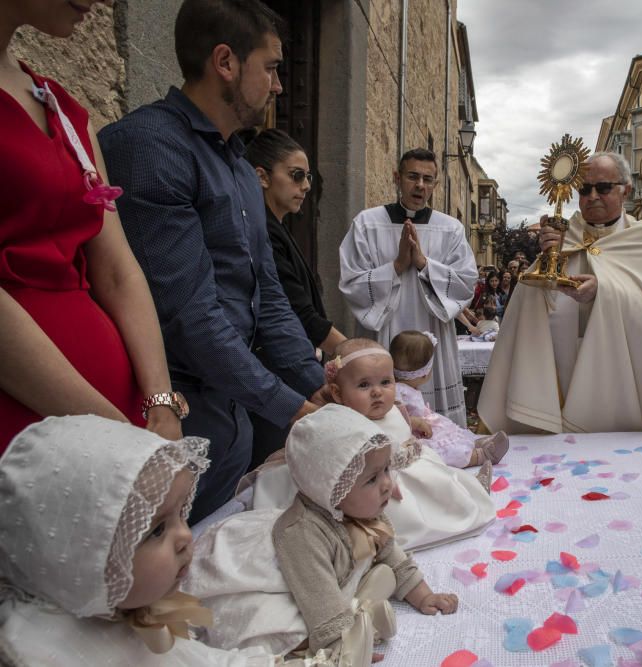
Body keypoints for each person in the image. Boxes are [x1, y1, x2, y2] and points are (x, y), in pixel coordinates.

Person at [98, 0, 326, 523]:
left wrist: (316, 382)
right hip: (174, 413)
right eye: (270, 68)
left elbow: (266, 293)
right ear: (225, 62)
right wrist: (291, 407)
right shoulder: (150, 146)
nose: (278, 87)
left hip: (230, 415)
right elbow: (190, 316)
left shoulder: (242, 170)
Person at [0, 0, 181, 449]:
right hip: (29, 419)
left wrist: (159, 400)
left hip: (116, 420)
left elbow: (117, 267)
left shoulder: (59, 105)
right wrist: (114, 432)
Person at [0, 415, 306, 665]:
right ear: (82, 556)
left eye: (181, 512)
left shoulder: (121, 603)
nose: (187, 535)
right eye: (157, 530)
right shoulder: (38, 652)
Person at [478, 152, 642, 434]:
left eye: (603, 188)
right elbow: (526, 303)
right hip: (560, 366)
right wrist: (545, 262)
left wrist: (602, 291)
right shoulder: (565, 236)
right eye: (584, 189)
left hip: (620, 376)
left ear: (626, 190)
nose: (592, 196)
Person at [274, 405, 457, 661]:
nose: (387, 484)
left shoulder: (361, 508)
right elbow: (320, 602)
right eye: (372, 479)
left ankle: (365, 613)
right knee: (289, 628)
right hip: (304, 589)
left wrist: (423, 595)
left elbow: (393, 555)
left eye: (386, 470)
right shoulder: (302, 534)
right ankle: (362, 622)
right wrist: (346, 647)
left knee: (386, 572)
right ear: (332, 488)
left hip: (337, 579)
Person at [339, 148, 478, 427]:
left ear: (435, 184)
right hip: (384, 331)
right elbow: (352, 281)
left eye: (428, 179)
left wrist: (425, 264)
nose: (420, 186)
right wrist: (398, 265)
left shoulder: (450, 229)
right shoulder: (367, 223)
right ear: (397, 177)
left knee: (436, 423)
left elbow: (466, 283)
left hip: (432, 330)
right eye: (413, 176)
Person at [324, 339, 494, 549]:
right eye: (364, 385)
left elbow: (403, 430)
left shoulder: (394, 408)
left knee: (442, 479)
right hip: (385, 483)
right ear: (338, 393)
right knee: (414, 505)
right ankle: (453, 507)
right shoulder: (348, 424)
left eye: (386, 382)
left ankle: (468, 494)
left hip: (413, 461)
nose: (377, 392)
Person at [243, 128, 347, 469]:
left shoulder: (275, 227)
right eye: (295, 175)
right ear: (261, 176)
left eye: (308, 177)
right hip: (278, 369)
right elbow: (295, 310)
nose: (305, 186)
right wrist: (352, 355)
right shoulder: (263, 233)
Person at [390, 330, 508, 468]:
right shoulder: (398, 391)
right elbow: (393, 417)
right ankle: (481, 456)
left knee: (451, 435)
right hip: (416, 436)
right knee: (446, 452)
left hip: (424, 429)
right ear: (424, 374)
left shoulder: (399, 387)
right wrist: (414, 422)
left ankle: (473, 445)